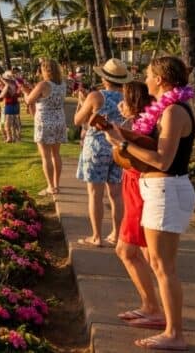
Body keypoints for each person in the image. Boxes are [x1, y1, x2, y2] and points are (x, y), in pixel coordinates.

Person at [104, 57, 195, 351]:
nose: (144, 81)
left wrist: (122, 144)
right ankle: (167, 325)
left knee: (163, 267)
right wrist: (122, 135)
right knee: (158, 264)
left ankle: (175, 334)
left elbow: (162, 160)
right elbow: (155, 150)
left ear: (160, 78)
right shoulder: (169, 109)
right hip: (160, 190)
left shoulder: (172, 112)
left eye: (147, 75)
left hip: (166, 190)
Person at [113, 81, 163, 332]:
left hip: (138, 191)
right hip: (134, 188)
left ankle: (153, 307)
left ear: (132, 102)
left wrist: (118, 139)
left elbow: (137, 159)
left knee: (127, 251)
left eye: (123, 100)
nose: (120, 104)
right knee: (143, 253)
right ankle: (149, 305)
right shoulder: (142, 124)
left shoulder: (140, 128)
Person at [73, 58, 130, 247]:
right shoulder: (128, 97)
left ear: (105, 78)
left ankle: (97, 236)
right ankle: (116, 233)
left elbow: (78, 120)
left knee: (95, 194)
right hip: (118, 147)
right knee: (116, 194)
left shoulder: (96, 96)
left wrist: (82, 103)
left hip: (96, 147)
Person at [26, 59, 67, 195]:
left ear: (45, 70)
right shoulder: (62, 84)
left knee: (46, 157)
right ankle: (57, 184)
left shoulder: (43, 84)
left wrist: (25, 91)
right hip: (59, 120)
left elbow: (29, 100)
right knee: (56, 154)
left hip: (45, 121)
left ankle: (50, 186)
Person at [0, 71, 22, 143]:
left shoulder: (7, 85)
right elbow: (19, 93)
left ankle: (10, 138)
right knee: (15, 122)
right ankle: (16, 137)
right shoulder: (16, 84)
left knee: (8, 123)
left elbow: (1, 96)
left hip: (9, 105)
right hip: (15, 104)